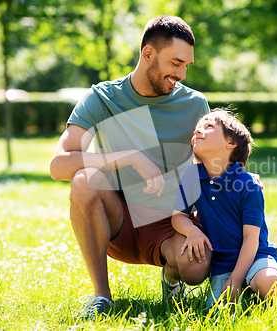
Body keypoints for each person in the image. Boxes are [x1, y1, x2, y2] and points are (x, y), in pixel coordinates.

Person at [50, 15, 212, 319]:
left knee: (196, 266)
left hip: (171, 222)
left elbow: (210, 169)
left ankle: (172, 278)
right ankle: (102, 296)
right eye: (176, 63)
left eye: (187, 65)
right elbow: (58, 166)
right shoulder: (102, 98)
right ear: (148, 54)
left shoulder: (194, 104)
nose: (182, 73)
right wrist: (129, 157)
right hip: (119, 222)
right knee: (85, 179)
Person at [172, 109, 277, 308]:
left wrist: (235, 280)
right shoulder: (192, 176)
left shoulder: (249, 185)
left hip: (256, 256)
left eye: (208, 126)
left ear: (231, 143)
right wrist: (192, 231)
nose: (198, 130)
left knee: (270, 283)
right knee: (215, 313)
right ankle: (245, 291)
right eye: (197, 128)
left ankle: (252, 285)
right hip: (221, 264)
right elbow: (178, 217)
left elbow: (251, 239)